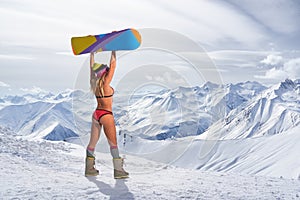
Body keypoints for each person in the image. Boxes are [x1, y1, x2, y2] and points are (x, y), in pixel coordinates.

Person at [85, 51, 129, 179]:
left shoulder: (94, 84)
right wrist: (113, 51)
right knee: (113, 143)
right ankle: (118, 170)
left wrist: (92, 54)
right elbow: (113, 66)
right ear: (105, 73)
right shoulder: (105, 84)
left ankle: (89, 169)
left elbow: (91, 69)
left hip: (96, 114)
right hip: (106, 114)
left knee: (92, 143)